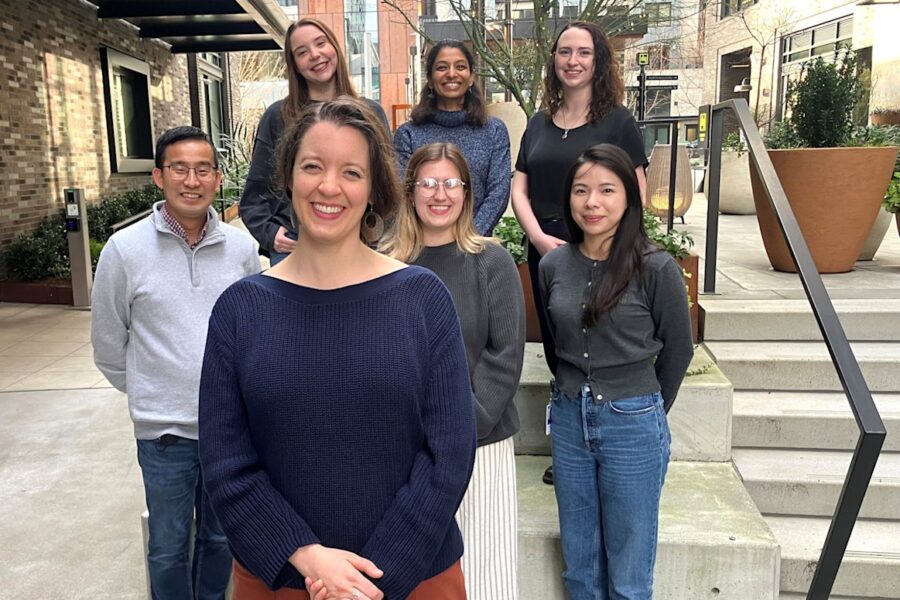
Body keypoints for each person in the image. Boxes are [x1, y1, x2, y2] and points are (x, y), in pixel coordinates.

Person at [199, 98, 476, 600]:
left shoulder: (422, 299)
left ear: (373, 190)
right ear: (288, 177)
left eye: (351, 172)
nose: (329, 186)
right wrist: (307, 556)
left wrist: (369, 581)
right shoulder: (240, 310)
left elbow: (449, 451)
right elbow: (226, 462)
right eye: (312, 166)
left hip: (413, 578)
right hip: (283, 580)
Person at [91, 126, 261, 600]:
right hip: (163, 434)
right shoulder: (125, 250)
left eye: (203, 169)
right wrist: (152, 390)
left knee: (221, 539)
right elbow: (108, 342)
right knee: (167, 548)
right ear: (158, 176)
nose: (192, 180)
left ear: (217, 177)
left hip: (229, 430)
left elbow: (255, 334)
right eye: (180, 169)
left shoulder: (242, 250)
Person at [539, 144, 693, 600]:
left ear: (629, 196)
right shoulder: (552, 265)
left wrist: (644, 408)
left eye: (607, 190)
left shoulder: (656, 267)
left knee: (629, 573)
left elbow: (678, 350)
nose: (593, 202)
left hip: (633, 422)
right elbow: (554, 342)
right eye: (581, 190)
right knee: (580, 565)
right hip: (569, 419)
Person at [381, 142, 525, 599]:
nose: (439, 194)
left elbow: (505, 356)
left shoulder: (491, 262)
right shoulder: (385, 265)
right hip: (406, 450)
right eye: (428, 183)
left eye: (450, 183)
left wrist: (459, 431)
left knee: (484, 575)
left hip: (481, 443)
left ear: (466, 192)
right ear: (410, 191)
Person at [511, 20, 649, 484]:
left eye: (583, 52)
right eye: (564, 51)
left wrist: (608, 245)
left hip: (600, 250)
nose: (573, 61)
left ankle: (607, 442)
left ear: (598, 61)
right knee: (559, 348)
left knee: (596, 345)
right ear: (554, 59)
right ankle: (569, 445)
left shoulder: (618, 122)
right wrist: (537, 238)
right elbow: (520, 188)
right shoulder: (538, 123)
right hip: (547, 250)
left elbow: (636, 191)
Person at [239, 17, 390, 265]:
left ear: (335, 48)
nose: (315, 55)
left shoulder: (371, 114)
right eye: (302, 52)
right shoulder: (277, 117)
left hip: (360, 241)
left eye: (321, 43)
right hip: (295, 246)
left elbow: (388, 185)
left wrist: (379, 234)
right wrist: (269, 233)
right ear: (295, 65)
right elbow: (254, 195)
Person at [393, 40, 510, 236]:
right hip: (423, 245)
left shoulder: (494, 130)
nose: (452, 74)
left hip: (477, 244)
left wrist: (469, 239)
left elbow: (498, 193)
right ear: (430, 79)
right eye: (442, 67)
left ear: (471, 77)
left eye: (460, 67)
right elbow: (403, 195)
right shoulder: (408, 134)